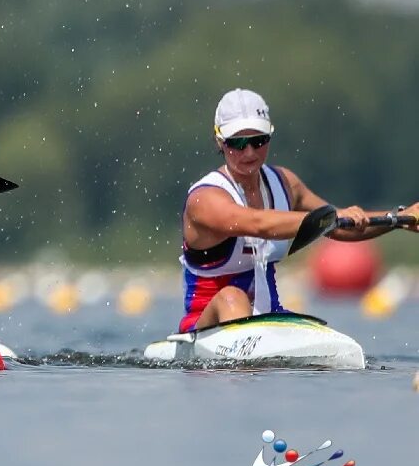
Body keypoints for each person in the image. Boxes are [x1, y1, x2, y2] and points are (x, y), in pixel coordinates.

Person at [177, 88, 419, 331]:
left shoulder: (285, 184)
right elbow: (259, 224)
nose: (249, 152)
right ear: (220, 141)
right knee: (233, 296)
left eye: (258, 141)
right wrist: (333, 217)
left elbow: (339, 229)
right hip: (204, 328)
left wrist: (401, 218)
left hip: (268, 317)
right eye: (237, 143)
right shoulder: (205, 199)